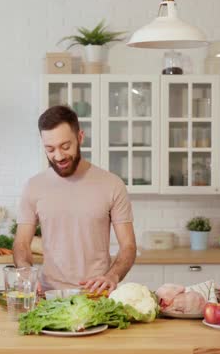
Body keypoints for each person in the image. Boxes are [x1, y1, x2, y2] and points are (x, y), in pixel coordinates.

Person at [13, 105, 136, 294]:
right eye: (50, 149)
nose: (59, 156)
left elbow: (128, 246)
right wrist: (25, 272)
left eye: (65, 146)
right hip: (48, 295)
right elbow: (21, 243)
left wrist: (112, 276)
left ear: (80, 137)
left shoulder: (112, 184)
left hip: (96, 295)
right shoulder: (34, 186)